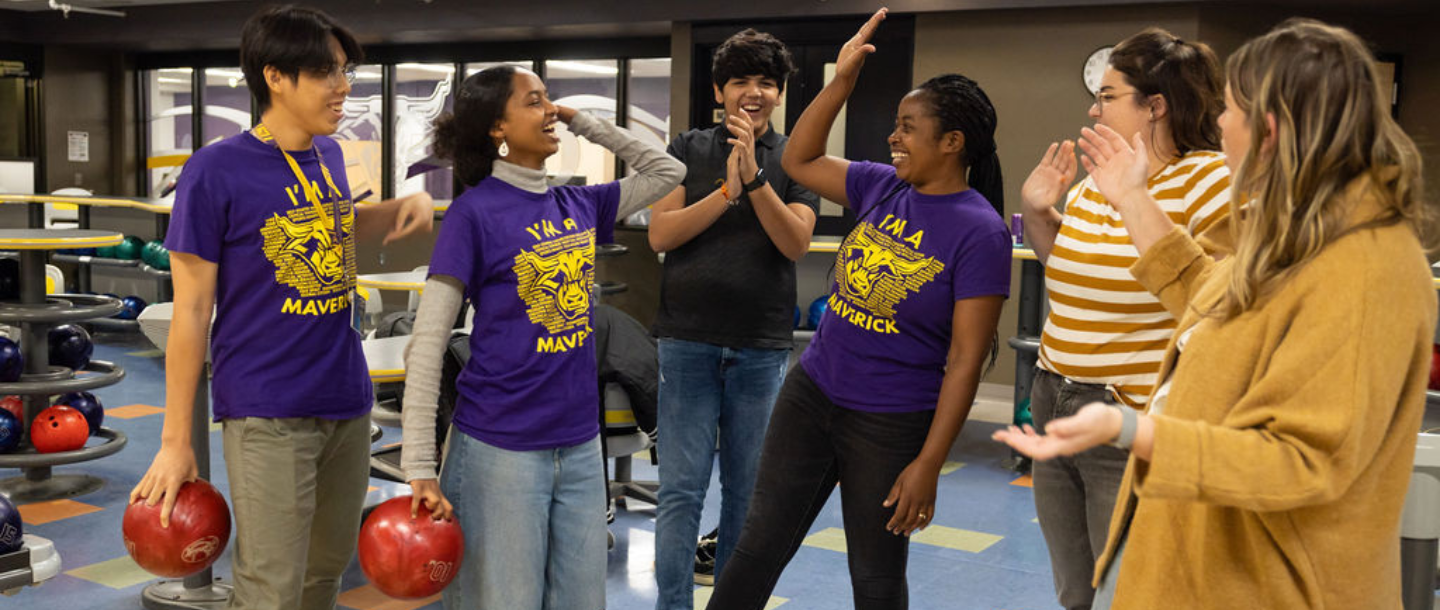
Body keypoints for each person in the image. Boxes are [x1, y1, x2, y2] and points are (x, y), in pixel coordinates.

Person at [996, 18, 1434, 610]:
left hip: (1278, 579)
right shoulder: (1292, 229)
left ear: (1271, 129)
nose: (1219, 125)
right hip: (1215, 542)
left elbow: (1303, 459)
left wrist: (1131, 428)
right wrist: (1129, 197)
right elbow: (1208, 299)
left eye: (1230, 111)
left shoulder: (1366, 265)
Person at [129, 5, 435, 609]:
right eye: (327, 72)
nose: (343, 87)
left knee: (323, 579)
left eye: (345, 71)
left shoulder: (329, 157)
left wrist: (401, 207)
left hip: (346, 402)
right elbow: (191, 312)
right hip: (268, 411)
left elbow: (323, 230)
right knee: (271, 590)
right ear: (275, 77)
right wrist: (174, 440)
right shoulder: (214, 170)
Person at [706, 9, 1011, 609]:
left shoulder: (981, 232)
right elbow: (798, 160)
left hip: (891, 419)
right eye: (895, 124)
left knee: (873, 576)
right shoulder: (884, 185)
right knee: (755, 546)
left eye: (909, 127)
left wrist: (929, 462)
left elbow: (966, 360)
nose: (894, 137)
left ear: (952, 143)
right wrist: (840, 82)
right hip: (813, 391)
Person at [398, 64, 684, 609]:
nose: (549, 109)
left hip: (578, 445)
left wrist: (583, 120)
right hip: (499, 449)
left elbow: (664, 170)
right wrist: (417, 467)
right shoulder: (472, 213)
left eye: (549, 99)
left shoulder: (578, 204)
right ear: (496, 128)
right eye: (534, 102)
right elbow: (430, 343)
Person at [1017, 28, 1231, 610]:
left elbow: (1212, 304)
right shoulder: (1098, 182)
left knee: (1133, 591)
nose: (1093, 107)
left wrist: (1136, 200)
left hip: (1127, 414)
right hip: (1054, 395)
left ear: (1155, 105)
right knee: (1076, 588)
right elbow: (1068, 268)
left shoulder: (1210, 181)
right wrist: (1040, 212)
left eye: (1108, 95)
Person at [647, 27, 820, 601]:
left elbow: (795, 242)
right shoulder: (684, 149)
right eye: (740, 81)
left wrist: (756, 178)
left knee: (748, 494)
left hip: (761, 348)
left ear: (779, 93)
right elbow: (660, 235)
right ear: (719, 91)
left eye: (766, 82)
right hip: (687, 343)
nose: (753, 92)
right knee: (680, 492)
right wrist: (725, 191)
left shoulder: (797, 157)